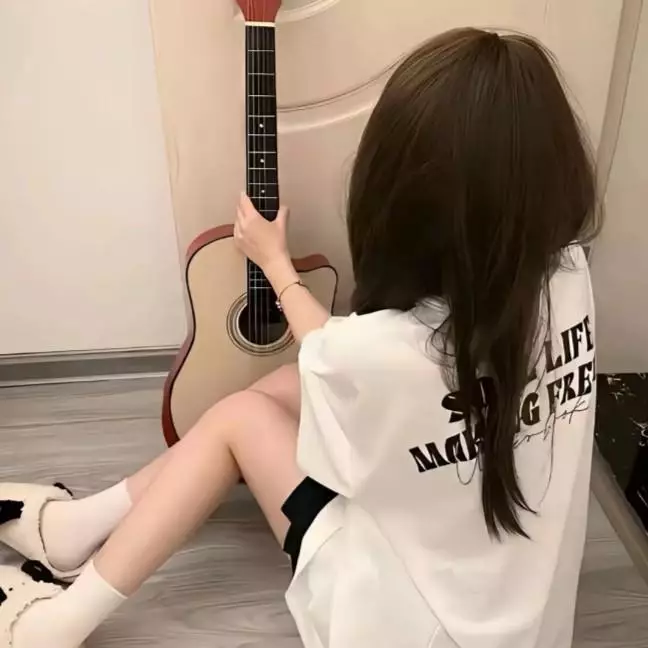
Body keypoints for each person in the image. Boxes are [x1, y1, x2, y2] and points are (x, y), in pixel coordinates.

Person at [0, 27, 600, 648]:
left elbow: (341, 355)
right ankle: (75, 530)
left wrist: (274, 263)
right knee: (288, 383)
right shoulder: (571, 275)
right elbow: (337, 359)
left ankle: (55, 625)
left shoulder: (395, 349)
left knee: (237, 418)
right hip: (522, 613)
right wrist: (279, 267)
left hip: (406, 628)